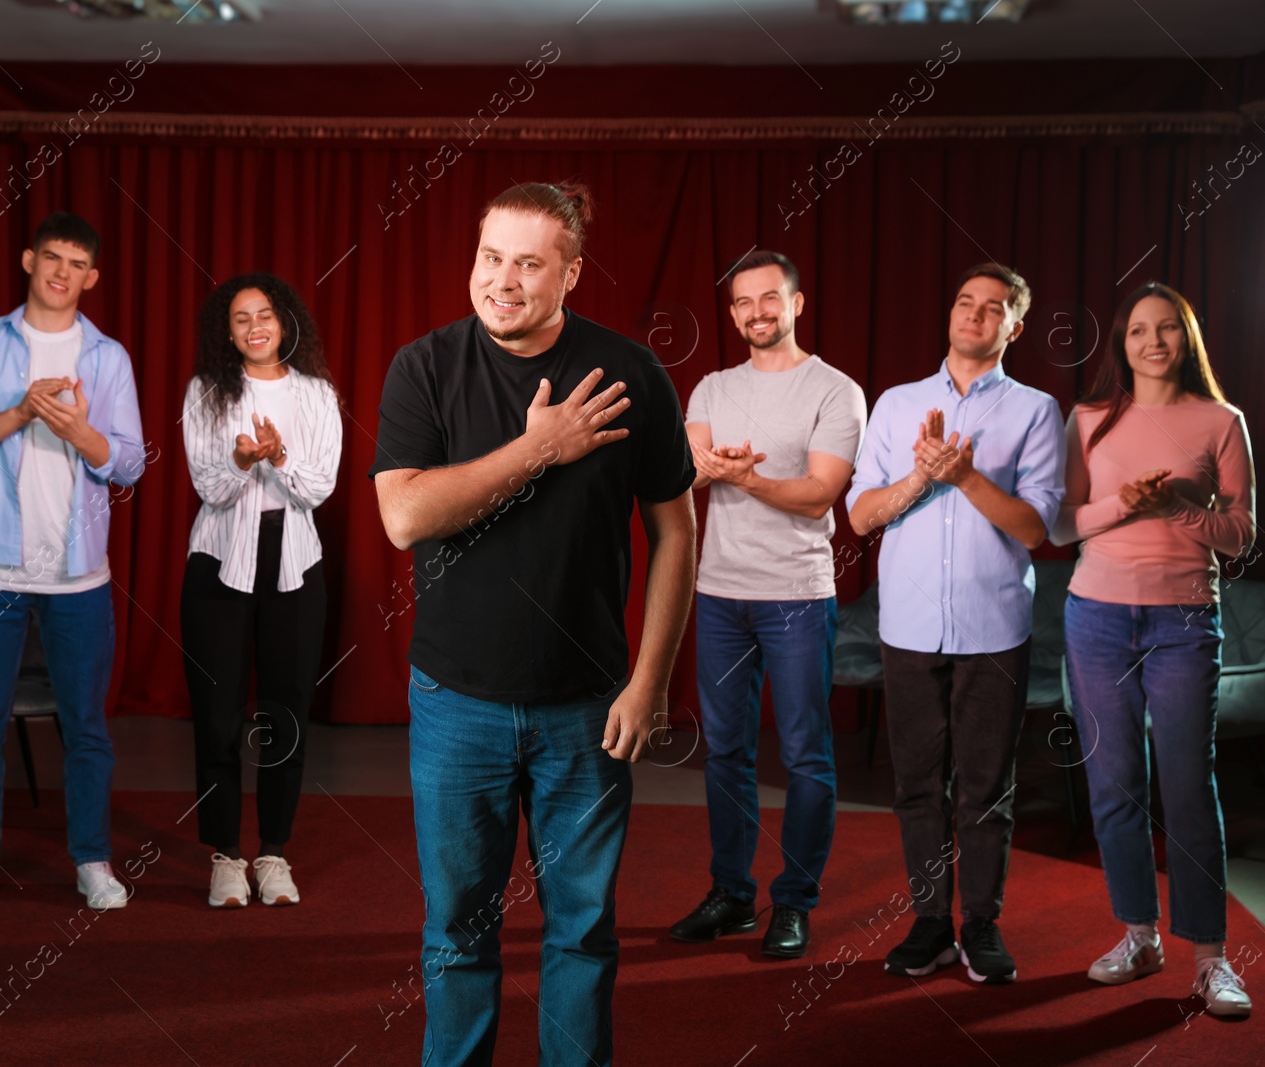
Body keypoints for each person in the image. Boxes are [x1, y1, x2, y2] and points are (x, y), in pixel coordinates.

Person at [370, 181, 697, 1067]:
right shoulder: (425, 367)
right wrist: (539, 447)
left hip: (588, 707)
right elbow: (405, 516)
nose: (502, 280)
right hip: (455, 701)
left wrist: (652, 677)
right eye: (490, 257)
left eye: (527, 262)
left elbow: (675, 530)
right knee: (456, 935)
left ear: (571, 274)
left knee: (583, 933)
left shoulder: (632, 374)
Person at [846, 262, 1064, 985]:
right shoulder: (896, 402)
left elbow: (1036, 529)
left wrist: (966, 476)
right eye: (965, 302)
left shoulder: (1035, 410)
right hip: (907, 624)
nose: (974, 314)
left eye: (992, 307)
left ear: (1014, 326)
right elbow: (859, 514)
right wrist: (921, 477)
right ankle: (931, 921)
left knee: (985, 786)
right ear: (950, 314)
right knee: (916, 783)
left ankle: (981, 923)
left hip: (993, 627)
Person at [0, 212, 147, 914]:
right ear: (28, 259)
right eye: (51, 256)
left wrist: (80, 430)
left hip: (79, 577)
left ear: (93, 277)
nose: (61, 271)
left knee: (86, 725)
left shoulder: (107, 357)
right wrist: (22, 413)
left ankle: (92, 860)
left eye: (76, 263)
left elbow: (132, 461)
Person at [1050, 282, 1254, 1018]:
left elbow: (1241, 536)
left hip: (1184, 621)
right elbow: (1064, 525)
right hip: (1096, 618)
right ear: (1122, 342)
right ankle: (1138, 934)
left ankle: (1211, 958)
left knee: (1188, 784)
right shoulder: (1090, 418)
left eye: (1168, 328)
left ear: (1186, 339)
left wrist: (1178, 509)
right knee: (1114, 785)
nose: (1154, 340)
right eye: (1139, 329)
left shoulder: (1221, 420)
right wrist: (1126, 505)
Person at [670, 251, 866, 958]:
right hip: (720, 593)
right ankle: (732, 894)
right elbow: (690, 466)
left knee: (806, 754)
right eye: (743, 303)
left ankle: (795, 901)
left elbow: (819, 492)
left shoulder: (836, 390)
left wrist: (739, 478)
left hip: (796, 597)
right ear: (732, 314)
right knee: (724, 750)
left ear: (796, 303)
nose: (757, 312)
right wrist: (714, 469)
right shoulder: (712, 387)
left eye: (770, 299)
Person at [179, 273, 342, 908]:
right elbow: (210, 489)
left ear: (286, 321)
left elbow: (318, 488)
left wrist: (275, 459)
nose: (255, 327)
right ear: (227, 332)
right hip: (218, 564)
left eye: (265, 314)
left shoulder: (317, 393)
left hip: (295, 565)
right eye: (241, 318)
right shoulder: (206, 392)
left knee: (286, 714)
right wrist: (242, 463)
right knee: (217, 715)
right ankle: (225, 856)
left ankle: (273, 853)